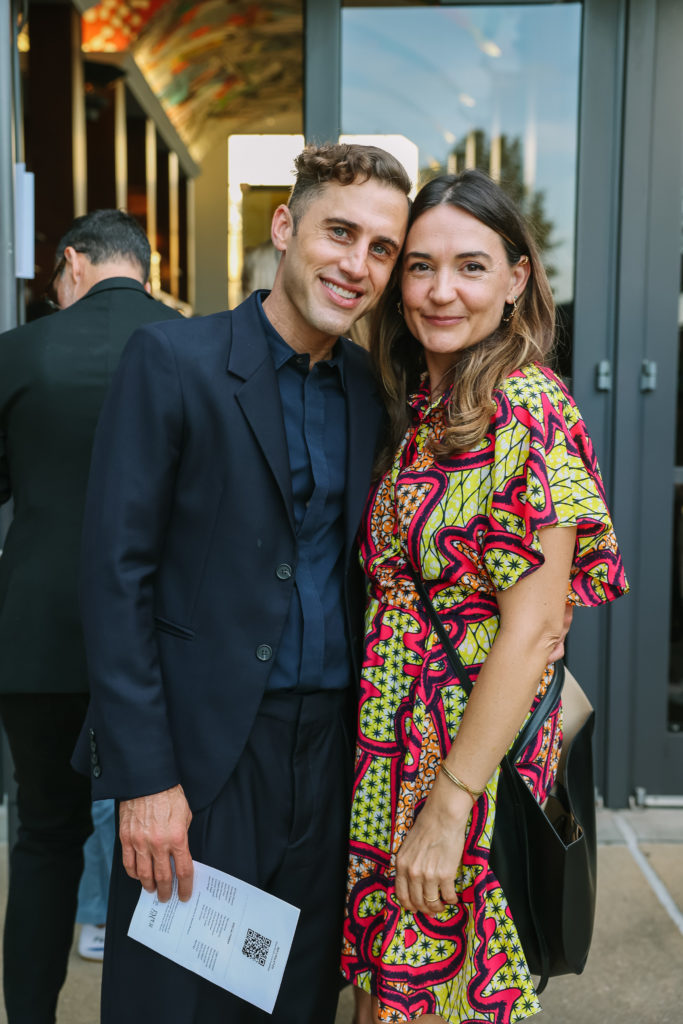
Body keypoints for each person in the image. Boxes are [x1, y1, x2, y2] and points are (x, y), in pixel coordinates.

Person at [72, 143, 411, 1024]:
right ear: (284, 226)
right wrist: (143, 781)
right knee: (174, 1002)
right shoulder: (171, 360)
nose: (356, 264)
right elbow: (114, 581)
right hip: (202, 757)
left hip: (328, 757)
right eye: (340, 232)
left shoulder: (373, 394)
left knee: (292, 996)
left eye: (381, 249)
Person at [341, 169, 628, 1024]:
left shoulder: (525, 407)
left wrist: (450, 802)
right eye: (419, 267)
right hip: (393, 759)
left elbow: (537, 628)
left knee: (442, 998)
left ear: (516, 280)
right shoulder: (429, 403)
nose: (438, 291)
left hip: (467, 762)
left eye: (470, 266)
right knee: (384, 995)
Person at [0, 209, 181, 1023]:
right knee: (167, 849)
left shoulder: (19, 352)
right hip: (156, 648)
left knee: (43, 839)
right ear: (144, 268)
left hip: (36, 640)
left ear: (70, 264)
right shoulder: (198, 347)